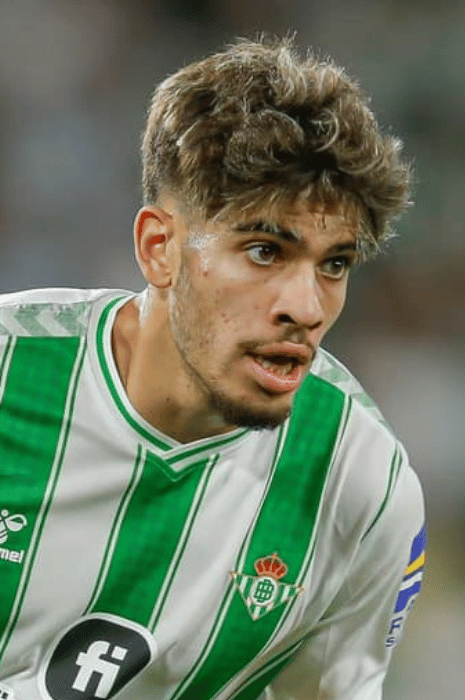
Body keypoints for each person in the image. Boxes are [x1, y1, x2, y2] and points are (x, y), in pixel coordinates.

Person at [0, 36, 425, 700]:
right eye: (264, 252)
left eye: (334, 264)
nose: (305, 308)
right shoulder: (9, 371)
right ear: (159, 248)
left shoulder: (363, 487)